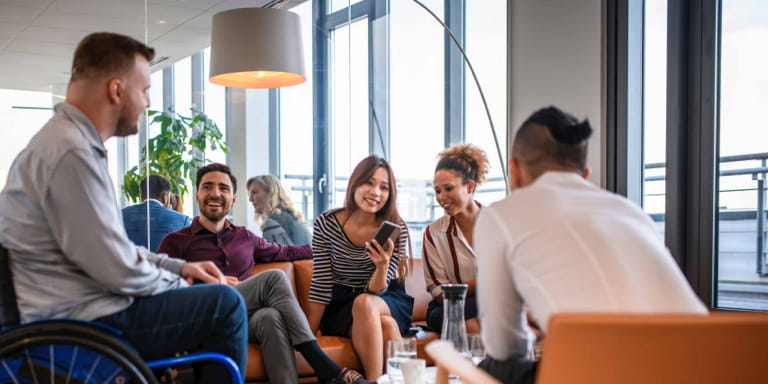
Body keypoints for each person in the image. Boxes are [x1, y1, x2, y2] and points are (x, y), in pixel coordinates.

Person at [0, 32, 248, 381]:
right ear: (116, 90)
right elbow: (116, 268)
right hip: (85, 318)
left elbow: (111, 248)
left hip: (77, 308)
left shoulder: (62, 143)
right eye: (144, 89)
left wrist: (178, 268)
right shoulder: (71, 153)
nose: (148, 102)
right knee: (226, 304)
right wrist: (178, 284)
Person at [474, 106, 708, 384]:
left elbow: (503, 344)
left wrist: (536, 335)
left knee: (494, 366)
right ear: (584, 174)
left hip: (605, 373)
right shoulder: (632, 212)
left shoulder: (500, 214)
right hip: (703, 367)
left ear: (514, 170)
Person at [158, 163, 373, 384]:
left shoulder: (244, 237)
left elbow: (288, 251)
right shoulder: (175, 241)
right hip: (204, 317)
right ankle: (321, 363)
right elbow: (160, 290)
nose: (215, 193)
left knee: (269, 317)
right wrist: (214, 286)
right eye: (208, 187)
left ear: (232, 200)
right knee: (274, 278)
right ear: (197, 195)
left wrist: (337, 246)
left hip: (243, 319)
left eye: (223, 188)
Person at [308, 155, 414, 380]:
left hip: (386, 297)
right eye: (369, 182)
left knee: (366, 302)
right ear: (354, 184)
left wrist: (381, 267)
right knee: (384, 324)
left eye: (383, 187)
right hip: (342, 302)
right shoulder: (326, 224)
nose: (375, 192)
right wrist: (307, 337)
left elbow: (376, 292)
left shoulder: (397, 229)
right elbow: (322, 282)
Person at [422, 143, 488, 334]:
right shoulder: (434, 234)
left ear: (470, 186)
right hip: (448, 307)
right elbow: (443, 296)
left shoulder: (501, 224)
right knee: (449, 314)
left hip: (492, 301)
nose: (441, 197)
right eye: (437, 191)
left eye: (448, 188)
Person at [122, 174, 191, 251]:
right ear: (165, 197)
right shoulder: (182, 220)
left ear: (141, 196)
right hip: (166, 263)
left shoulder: (121, 215)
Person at [247, 174, 311, 245]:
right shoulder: (290, 217)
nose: (250, 199)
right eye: (249, 194)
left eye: (254, 192)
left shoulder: (272, 223)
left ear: (270, 193)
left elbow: (275, 255)